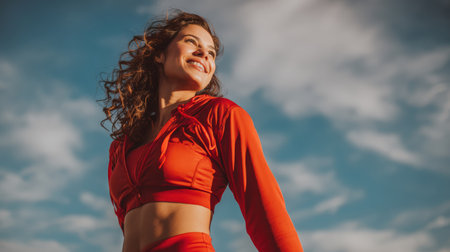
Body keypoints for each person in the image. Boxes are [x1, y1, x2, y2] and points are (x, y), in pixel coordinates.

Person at [100, 10, 303, 252]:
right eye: (191, 42)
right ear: (159, 54)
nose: (204, 53)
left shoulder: (221, 115)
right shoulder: (122, 146)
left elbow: (264, 206)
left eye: (211, 53)